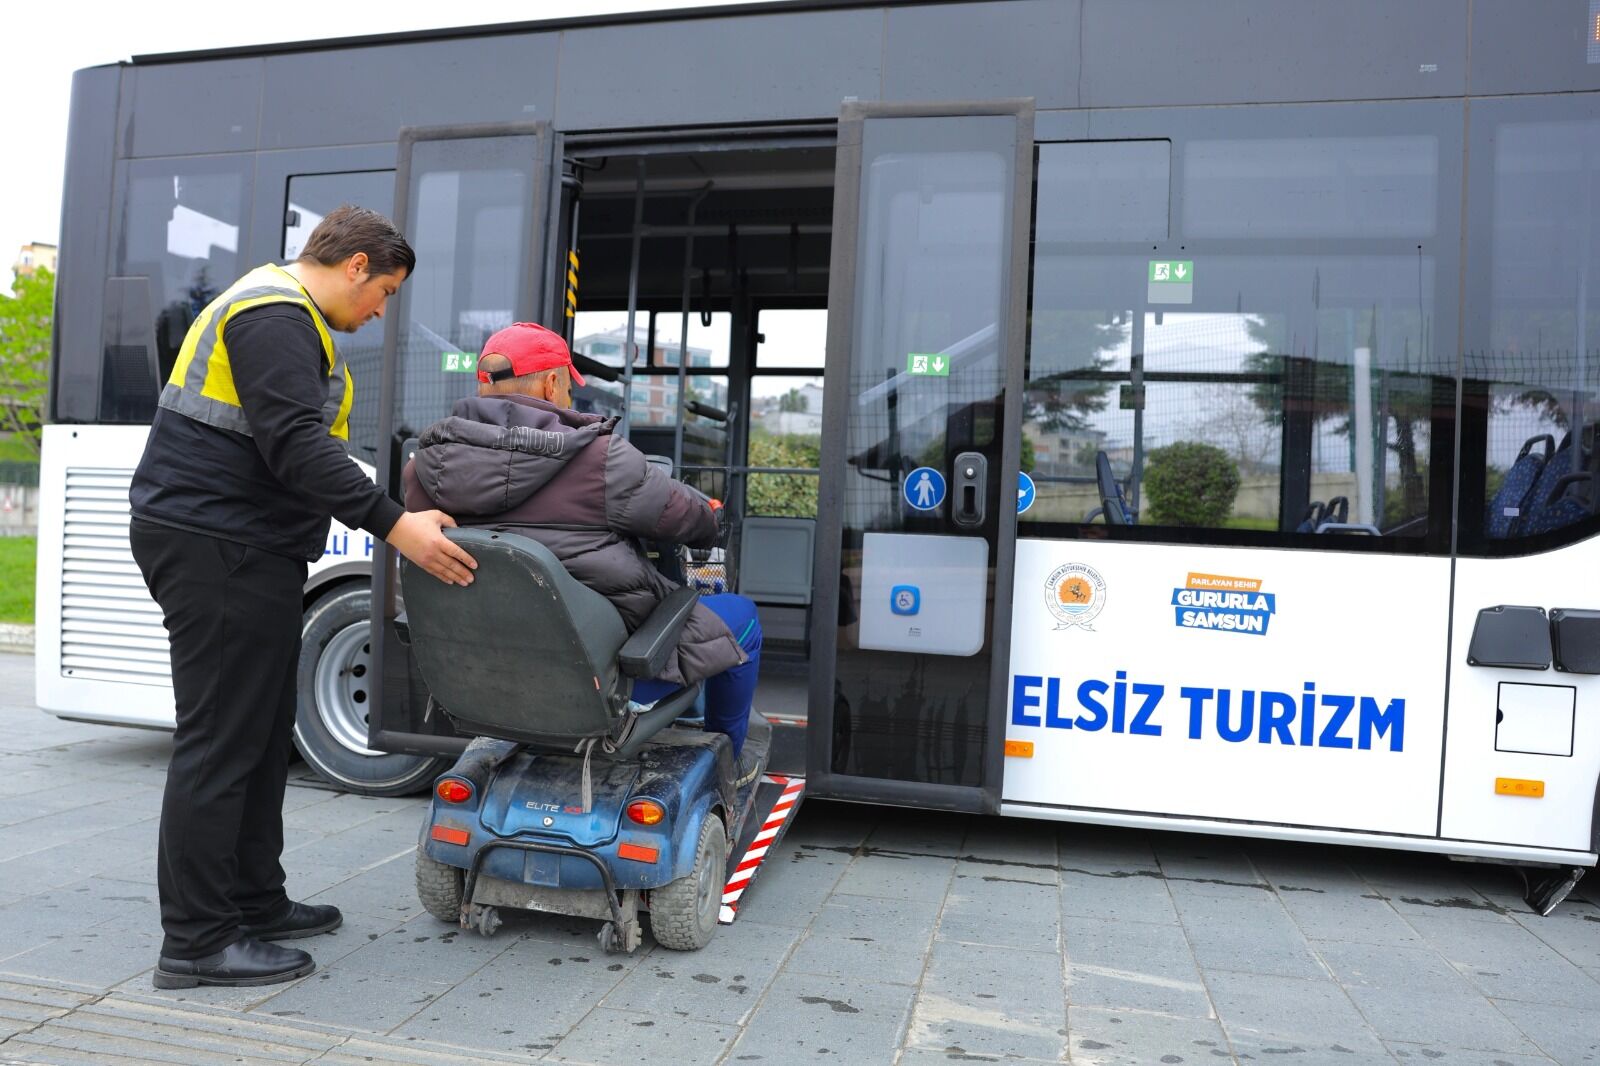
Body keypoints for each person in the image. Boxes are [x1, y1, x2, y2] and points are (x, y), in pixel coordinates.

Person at [128, 206, 477, 990]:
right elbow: (293, 444)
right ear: (356, 266)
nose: (382, 309)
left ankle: (253, 901)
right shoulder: (275, 315)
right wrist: (397, 527)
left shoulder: (293, 323)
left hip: (247, 544)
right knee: (219, 740)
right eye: (384, 290)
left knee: (254, 735)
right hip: (217, 544)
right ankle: (196, 942)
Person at [402, 321, 762, 773]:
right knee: (742, 618)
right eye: (568, 387)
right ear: (552, 384)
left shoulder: (424, 468)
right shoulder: (601, 458)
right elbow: (684, 515)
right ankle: (729, 758)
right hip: (597, 679)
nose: (570, 398)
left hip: (480, 675)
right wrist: (709, 517)